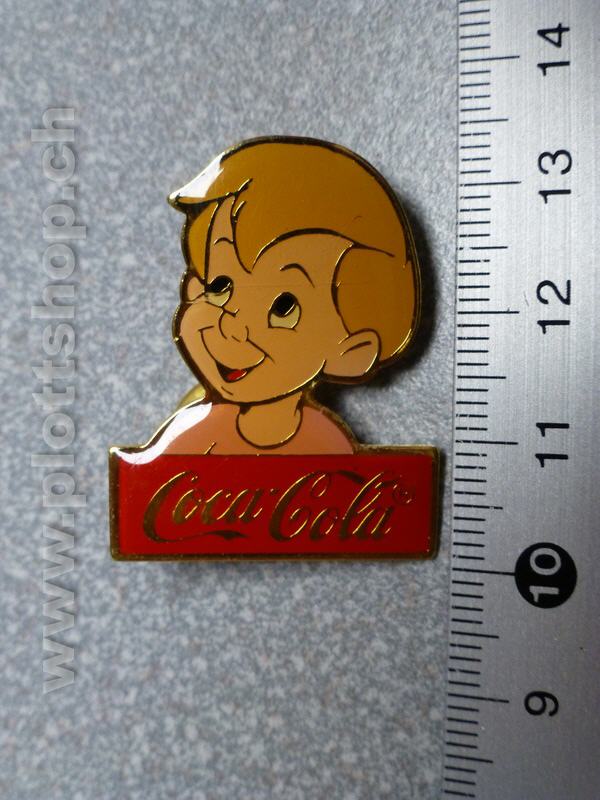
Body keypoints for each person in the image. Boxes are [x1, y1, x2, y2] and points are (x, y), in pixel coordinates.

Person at [156, 136, 420, 455]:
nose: (233, 326)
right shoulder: (193, 437)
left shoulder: (327, 444)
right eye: (220, 286)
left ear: (352, 352)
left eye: (283, 308)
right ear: (193, 288)